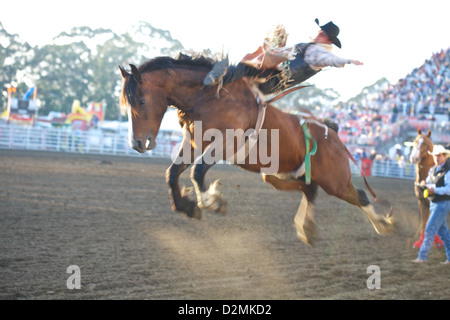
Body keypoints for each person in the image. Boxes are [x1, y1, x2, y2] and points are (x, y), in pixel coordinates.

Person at [203, 19, 363, 95]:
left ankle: (215, 81)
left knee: (244, 67)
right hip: (272, 80)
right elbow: (281, 53)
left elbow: (331, 60)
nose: (318, 34)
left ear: (328, 40)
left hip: (271, 80)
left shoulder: (319, 54)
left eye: (322, 33)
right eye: (320, 31)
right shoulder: (308, 47)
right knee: (248, 63)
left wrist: (346, 61)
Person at [412, 145, 450, 264]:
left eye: (439, 156)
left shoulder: (448, 171)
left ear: (444, 156)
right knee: (443, 232)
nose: (436, 158)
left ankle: (422, 257)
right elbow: (428, 181)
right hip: (434, 202)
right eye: (435, 156)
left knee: (429, 229)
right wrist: (424, 183)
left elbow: (449, 189)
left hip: (442, 203)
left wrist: (435, 190)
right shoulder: (433, 170)